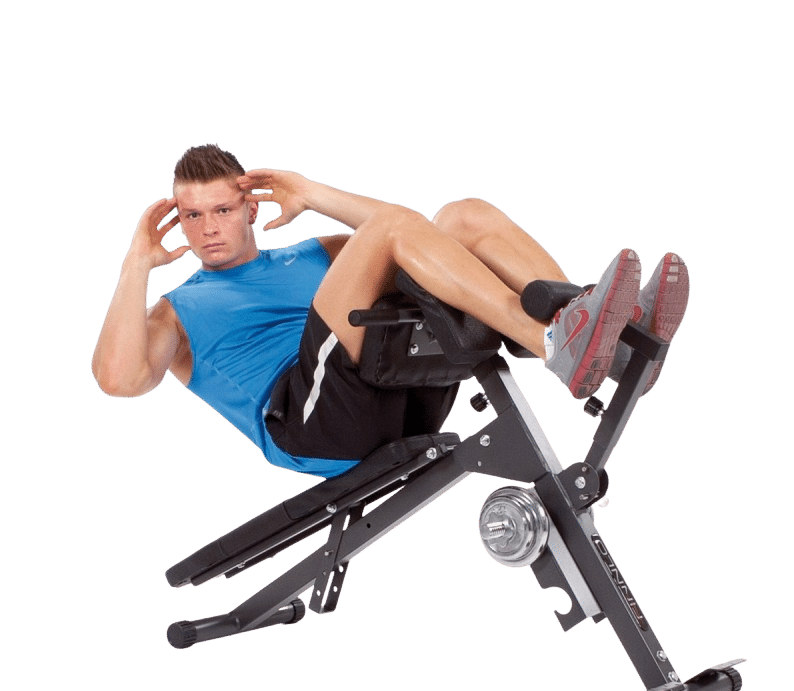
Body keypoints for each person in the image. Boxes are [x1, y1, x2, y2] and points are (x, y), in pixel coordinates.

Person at [92, 144, 690, 478]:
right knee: (392, 229)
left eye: (221, 210)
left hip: (402, 389)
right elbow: (119, 380)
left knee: (464, 216)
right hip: (315, 423)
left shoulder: (311, 255)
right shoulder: (177, 311)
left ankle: (608, 343)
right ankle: (557, 342)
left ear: (251, 208)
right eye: (191, 215)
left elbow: (420, 237)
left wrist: (312, 193)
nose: (206, 228)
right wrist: (136, 263)